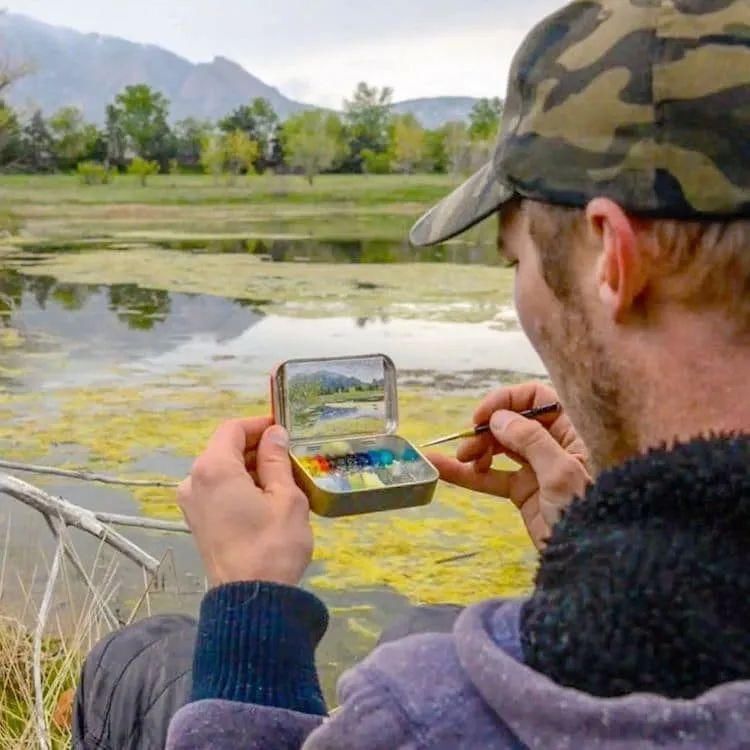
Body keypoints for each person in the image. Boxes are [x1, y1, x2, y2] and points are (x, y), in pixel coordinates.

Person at [74, 0, 750, 747]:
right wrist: (608, 544)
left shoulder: (421, 719)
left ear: (613, 262)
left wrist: (250, 603)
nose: (519, 289)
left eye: (515, 259)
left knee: (138, 658)